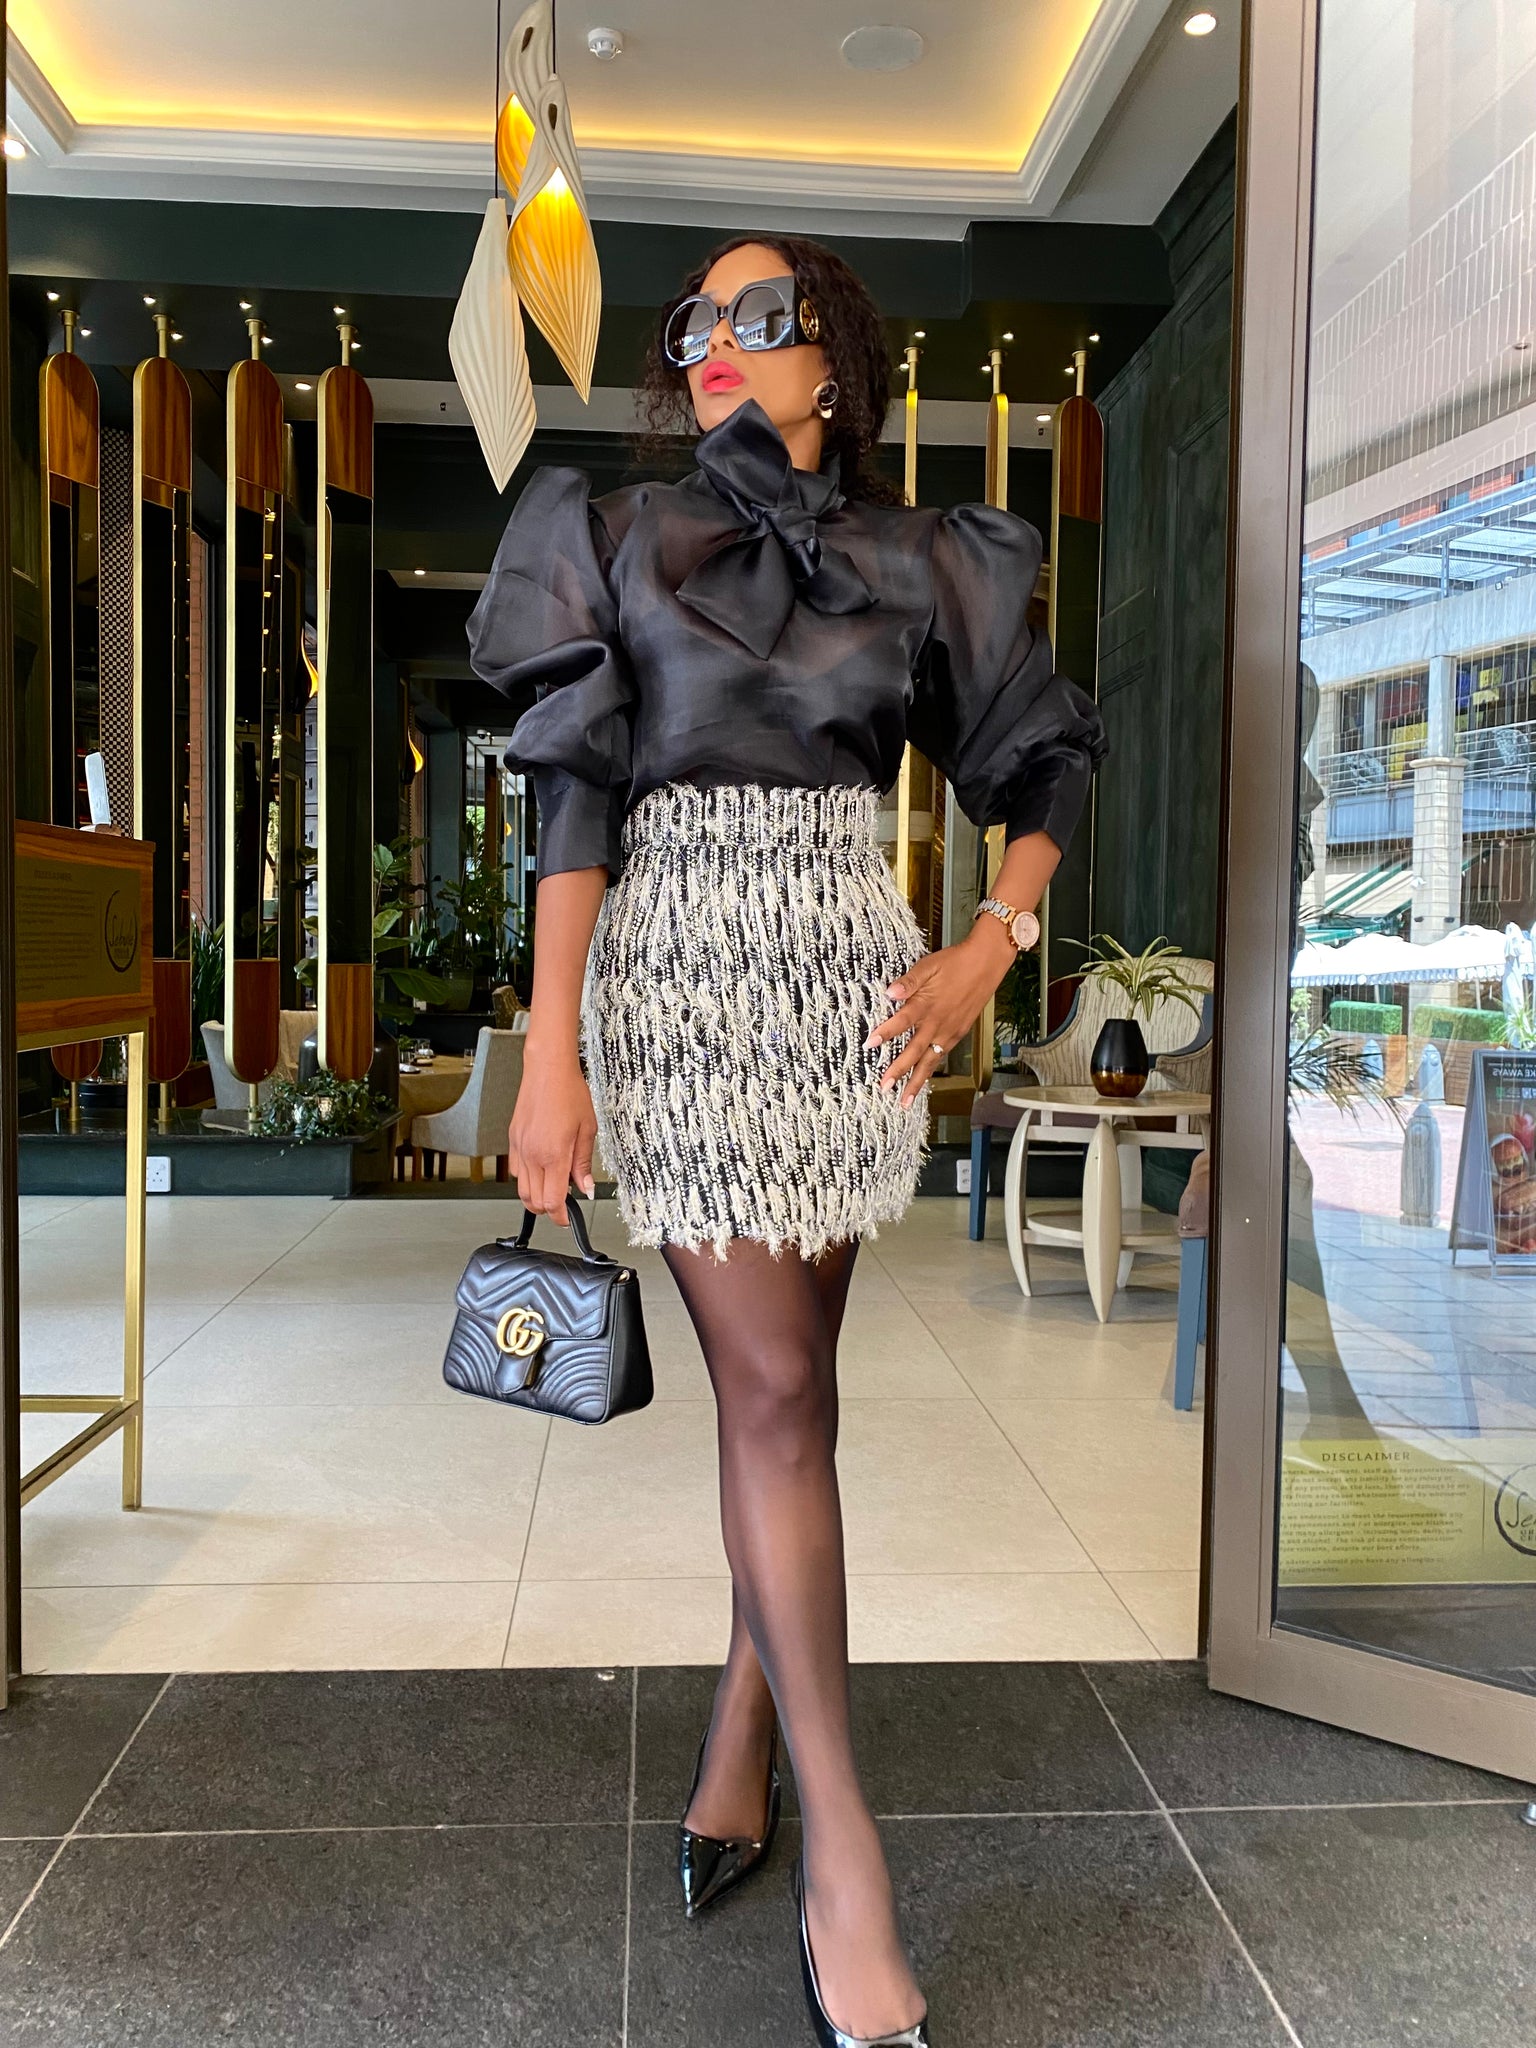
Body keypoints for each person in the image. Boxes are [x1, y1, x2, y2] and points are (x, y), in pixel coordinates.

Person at [468, 234, 1107, 2048]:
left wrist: (988, 947)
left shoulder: (924, 557)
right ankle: (848, 1864)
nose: (721, 344)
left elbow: (1046, 763)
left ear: (837, 358)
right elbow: (574, 800)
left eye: (765, 317)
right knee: (775, 1396)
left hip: (848, 993)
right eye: (699, 322)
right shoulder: (618, 532)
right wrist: (550, 1052)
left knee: (791, 1396)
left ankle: (741, 1734)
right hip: (680, 979)